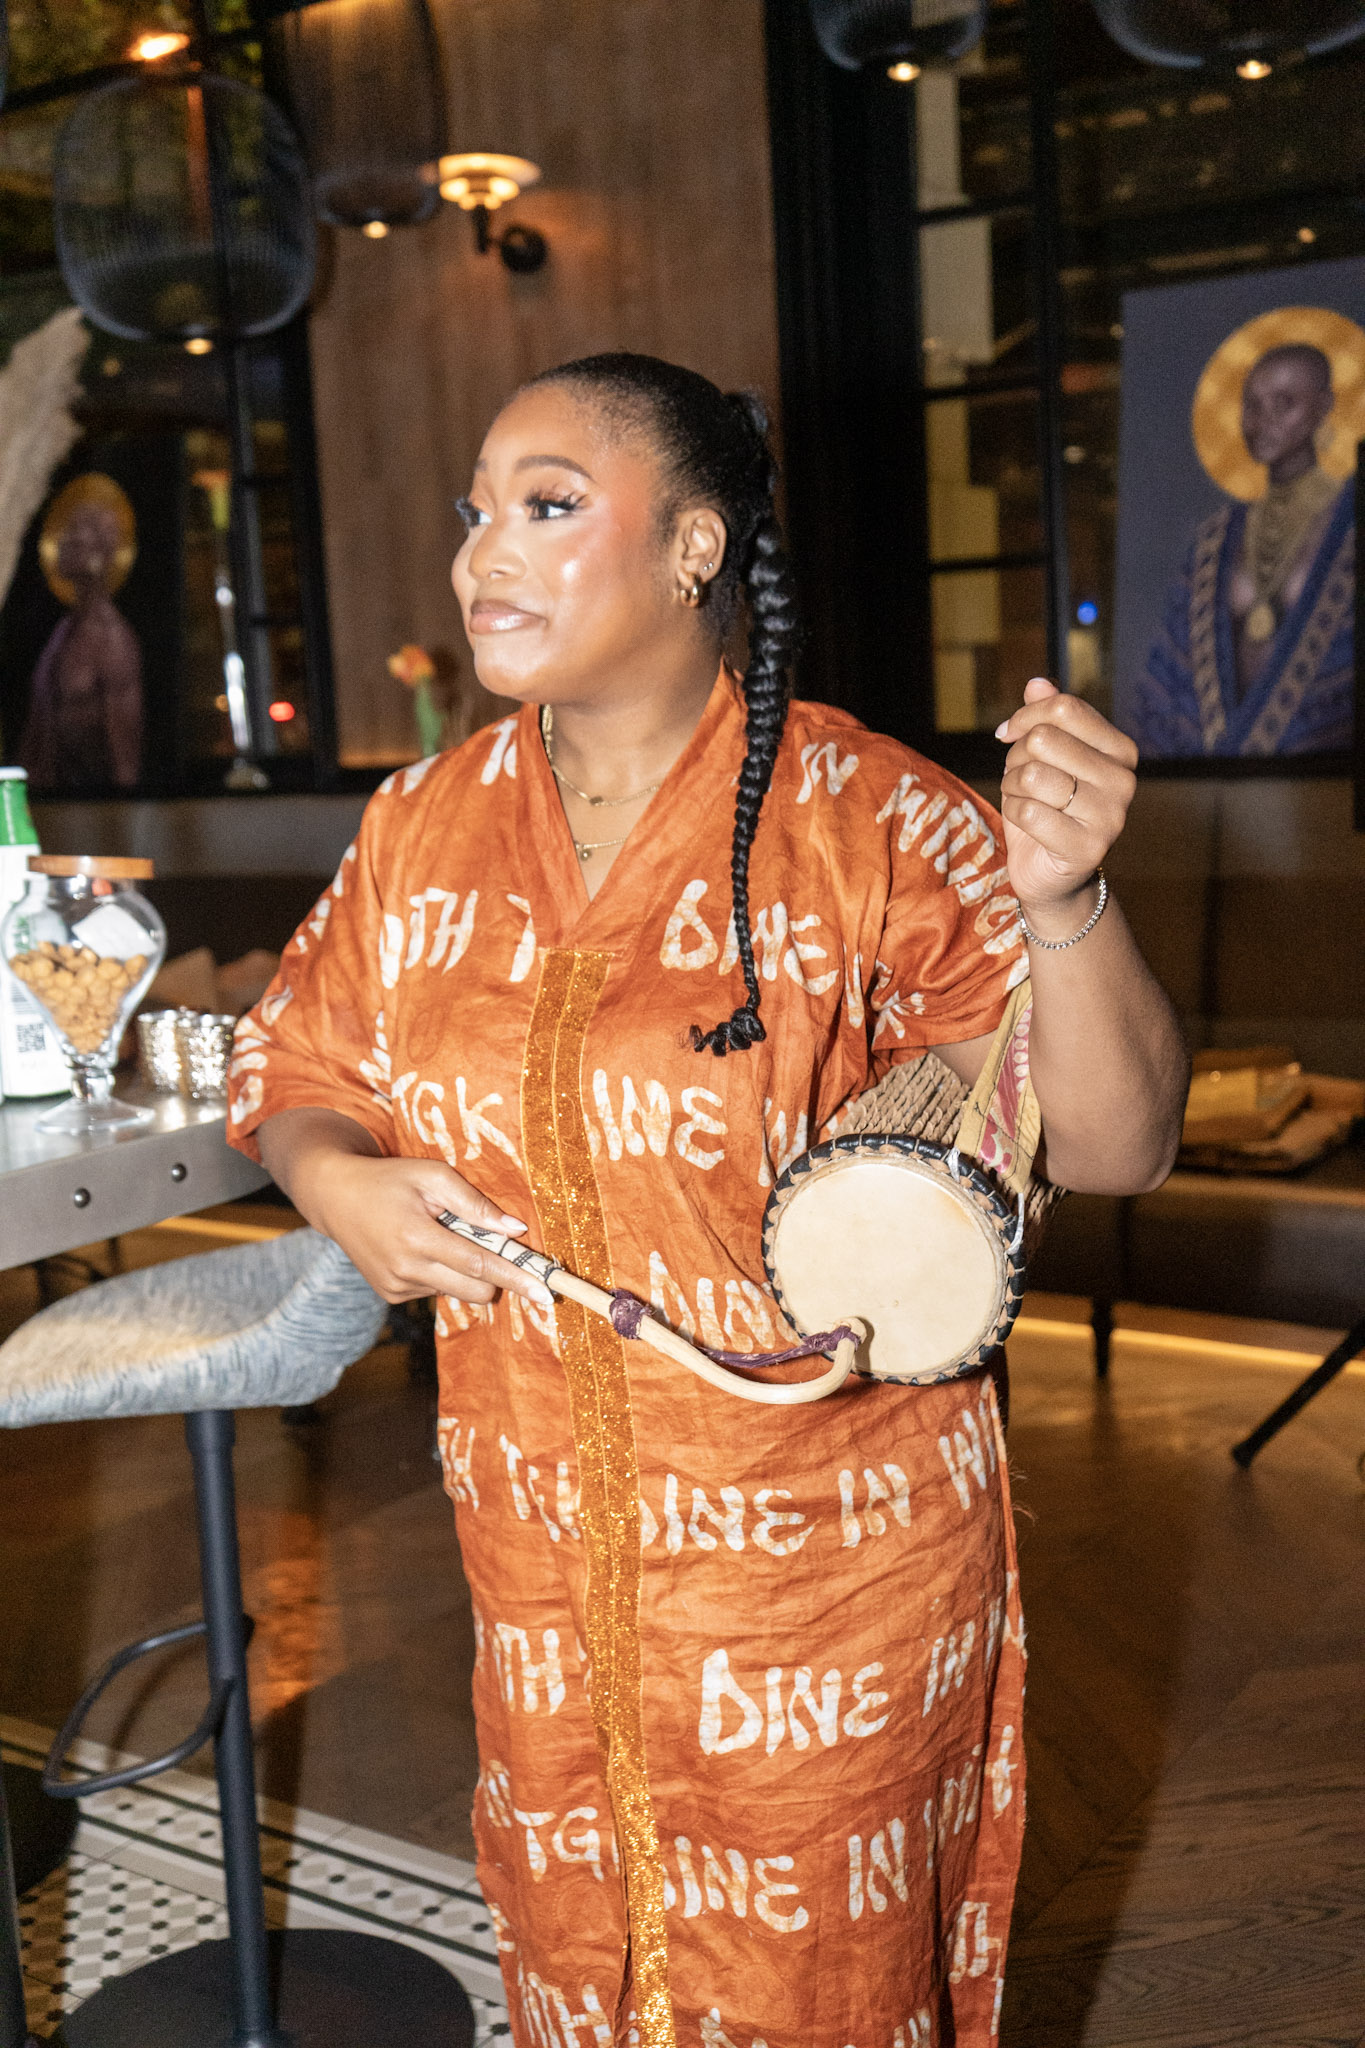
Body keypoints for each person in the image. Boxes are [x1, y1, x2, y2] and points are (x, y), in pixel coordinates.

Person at [227, 354, 1187, 2047]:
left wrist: (1064, 900)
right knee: (575, 1959)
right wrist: (335, 1178)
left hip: (825, 1580)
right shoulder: (423, 825)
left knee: (823, 1992)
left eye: (545, 505)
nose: (480, 552)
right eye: (474, 510)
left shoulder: (869, 817)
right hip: (539, 1568)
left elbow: (1119, 1144)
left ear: (692, 547)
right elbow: (296, 1057)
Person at [1132, 341, 1354, 756]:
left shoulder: (1349, 523)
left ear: (1323, 406)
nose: (1262, 421)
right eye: (1252, 405)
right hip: (1210, 784)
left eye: (1283, 403)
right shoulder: (1213, 539)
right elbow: (1168, 684)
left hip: (1328, 781)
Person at [19, 488, 143, 790]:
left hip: (94, 804)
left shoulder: (112, 641)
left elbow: (123, 755)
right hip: (50, 798)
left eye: (77, 532)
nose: (63, 541)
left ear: (100, 554)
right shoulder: (63, 631)